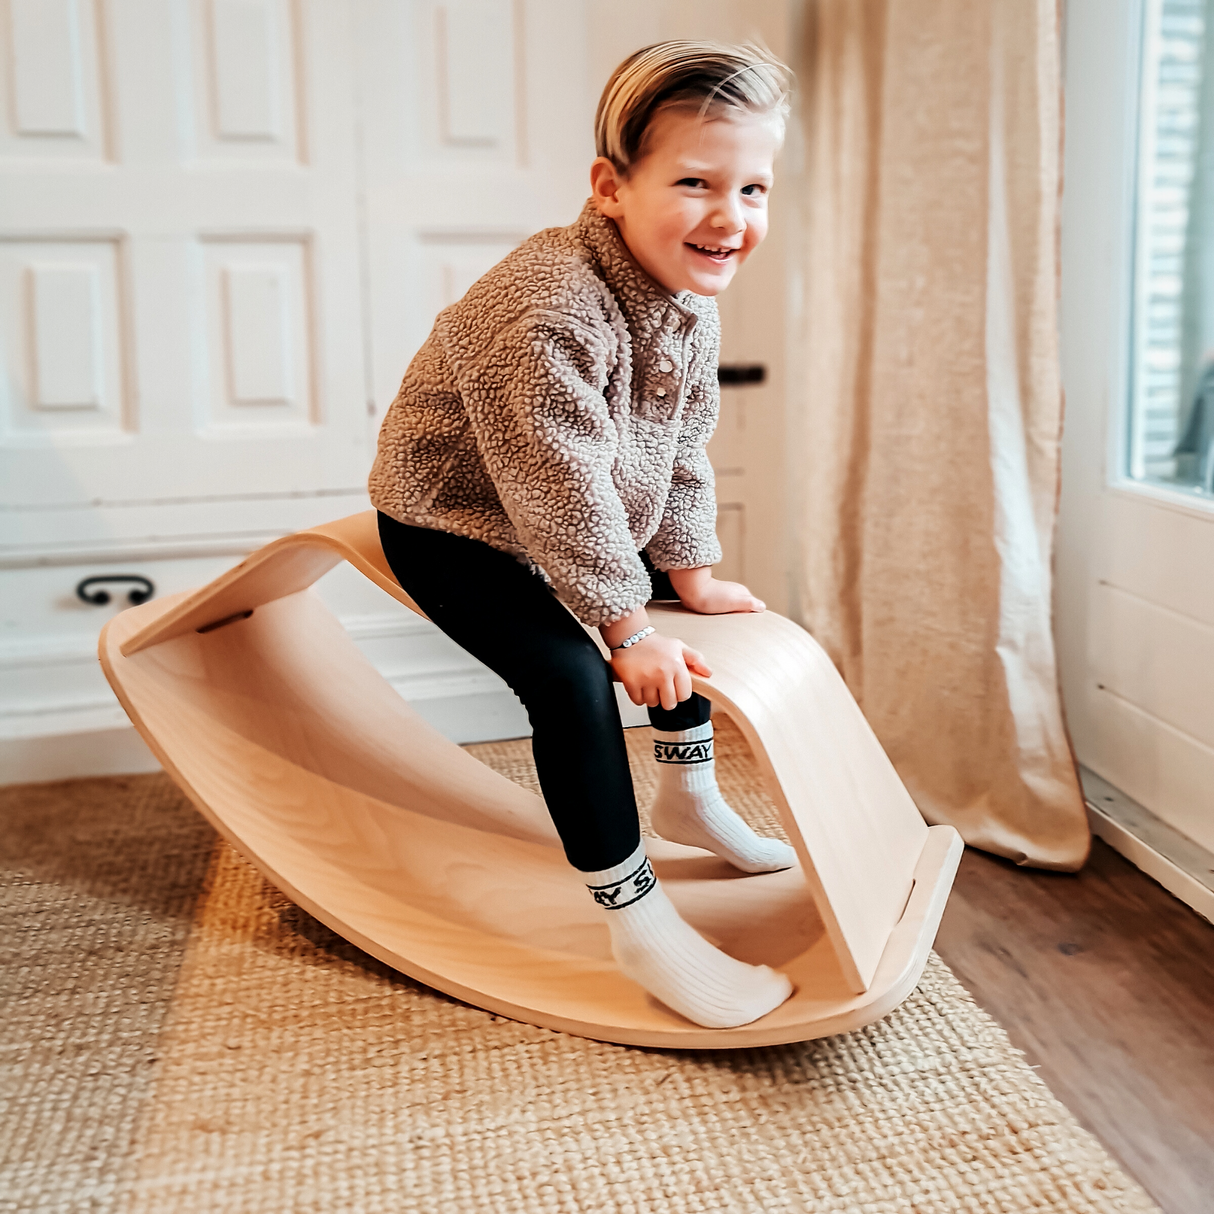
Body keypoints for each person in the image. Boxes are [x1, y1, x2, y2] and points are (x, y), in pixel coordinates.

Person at [370, 41, 796, 1029]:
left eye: (752, 187)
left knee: (658, 614)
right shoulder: (544, 310)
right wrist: (620, 628)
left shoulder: (686, 297)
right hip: (457, 519)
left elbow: (682, 442)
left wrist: (685, 574)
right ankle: (637, 919)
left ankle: (687, 799)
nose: (729, 217)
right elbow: (551, 484)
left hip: (579, 508)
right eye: (694, 182)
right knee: (569, 674)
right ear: (610, 186)